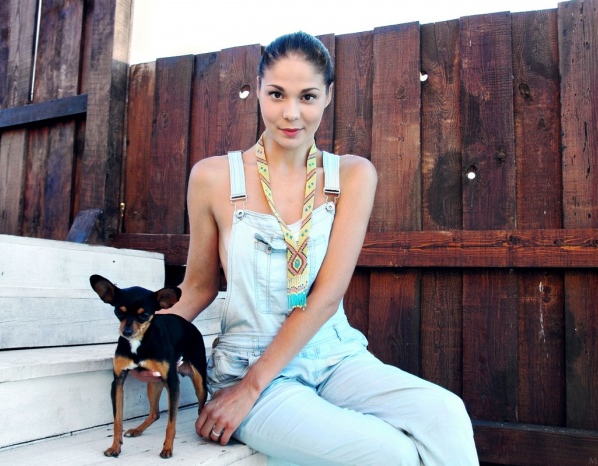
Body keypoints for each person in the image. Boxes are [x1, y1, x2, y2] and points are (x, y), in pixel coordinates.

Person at [151, 31, 479, 465]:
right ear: (258, 91)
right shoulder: (213, 177)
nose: (291, 113)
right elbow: (198, 286)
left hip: (334, 355)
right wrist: (151, 339)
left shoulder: (353, 176)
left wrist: (252, 387)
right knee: (389, 453)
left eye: (307, 96)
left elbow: (326, 297)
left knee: (446, 414)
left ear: (328, 96)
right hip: (249, 365)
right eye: (276, 94)